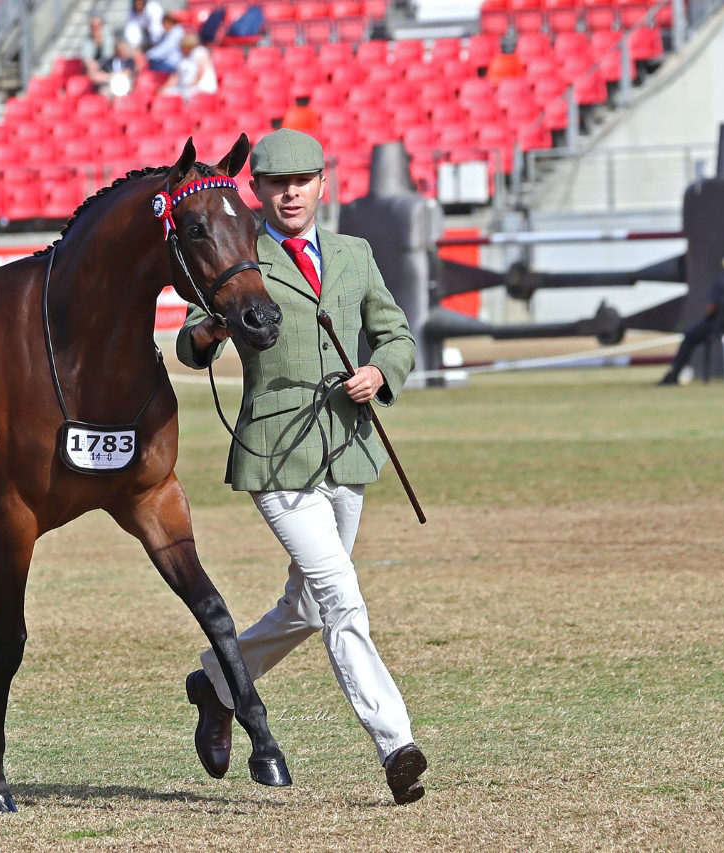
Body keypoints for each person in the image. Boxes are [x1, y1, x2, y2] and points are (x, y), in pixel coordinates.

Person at [176, 129, 428, 806]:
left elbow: (397, 332)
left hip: (349, 449)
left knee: (309, 604)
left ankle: (218, 682)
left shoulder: (355, 254)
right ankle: (395, 743)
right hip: (275, 455)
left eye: (303, 180)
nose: (290, 192)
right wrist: (209, 332)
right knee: (341, 599)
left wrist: (381, 370)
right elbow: (189, 343)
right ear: (257, 190)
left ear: (324, 184)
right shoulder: (240, 250)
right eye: (277, 182)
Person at [659, 236, 724, 384]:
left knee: (690, 336)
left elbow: (712, 308)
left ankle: (674, 374)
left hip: (721, 326)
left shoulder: (723, 280)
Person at [159, 33, 217, 98]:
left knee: (186, 94)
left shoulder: (200, 52)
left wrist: (189, 86)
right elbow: (176, 76)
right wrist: (164, 87)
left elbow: (200, 73)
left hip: (201, 87)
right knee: (166, 92)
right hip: (185, 87)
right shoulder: (183, 58)